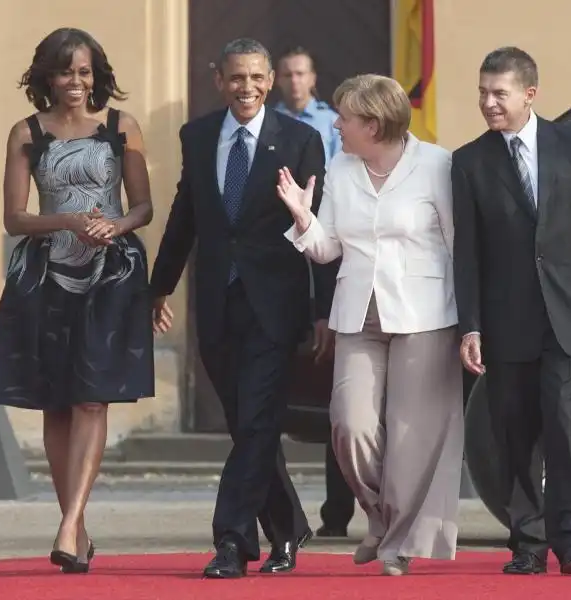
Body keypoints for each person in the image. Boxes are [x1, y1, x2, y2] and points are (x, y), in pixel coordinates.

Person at [149, 38, 335, 579]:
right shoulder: (198, 135)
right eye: (236, 78)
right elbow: (186, 213)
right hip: (216, 304)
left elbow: (316, 230)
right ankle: (287, 526)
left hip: (274, 308)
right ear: (219, 79)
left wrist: (324, 310)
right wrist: (158, 287)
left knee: (257, 421)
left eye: (256, 77)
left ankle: (231, 540)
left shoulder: (301, 140)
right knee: (246, 425)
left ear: (270, 80)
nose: (246, 87)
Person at [451, 47, 571, 575]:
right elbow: (467, 253)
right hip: (505, 322)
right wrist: (471, 325)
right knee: (516, 432)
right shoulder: (469, 161)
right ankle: (527, 544)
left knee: (565, 421)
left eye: (498, 93)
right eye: (483, 92)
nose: (488, 103)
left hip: (569, 313)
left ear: (529, 93)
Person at [0, 28, 155, 574]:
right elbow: (14, 217)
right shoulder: (25, 132)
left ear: (96, 76)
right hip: (43, 275)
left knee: (92, 398)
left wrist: (115, 224)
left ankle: (65, 525)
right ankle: (77, 529)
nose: (75, 83)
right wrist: (67, 220)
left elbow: (143, 206)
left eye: (83, 72)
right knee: (57, 402)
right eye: (64, 72)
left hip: (112, 274)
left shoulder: (121, 128)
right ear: (46, 77)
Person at [278, 74, 464, 576]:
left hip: (425, 316)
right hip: (358, 314)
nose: (335, 124)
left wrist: (471, 323)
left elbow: (457, 245)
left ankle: (394, 545)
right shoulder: (341, 167)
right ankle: (380, 516)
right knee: (349, 424)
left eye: (345, 117)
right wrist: (302, 218)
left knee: (411, 438)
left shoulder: (436, 165)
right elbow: (327, 247)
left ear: (374, 124)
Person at [274, 45, 355, 539]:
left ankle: (339, 512)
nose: (294, 80)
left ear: (313, 77)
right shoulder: (269, 124)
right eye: (286, 73)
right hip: (289, 255)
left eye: (301, 72)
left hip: (332, 256)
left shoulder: (332, 127)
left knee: (341, 407)